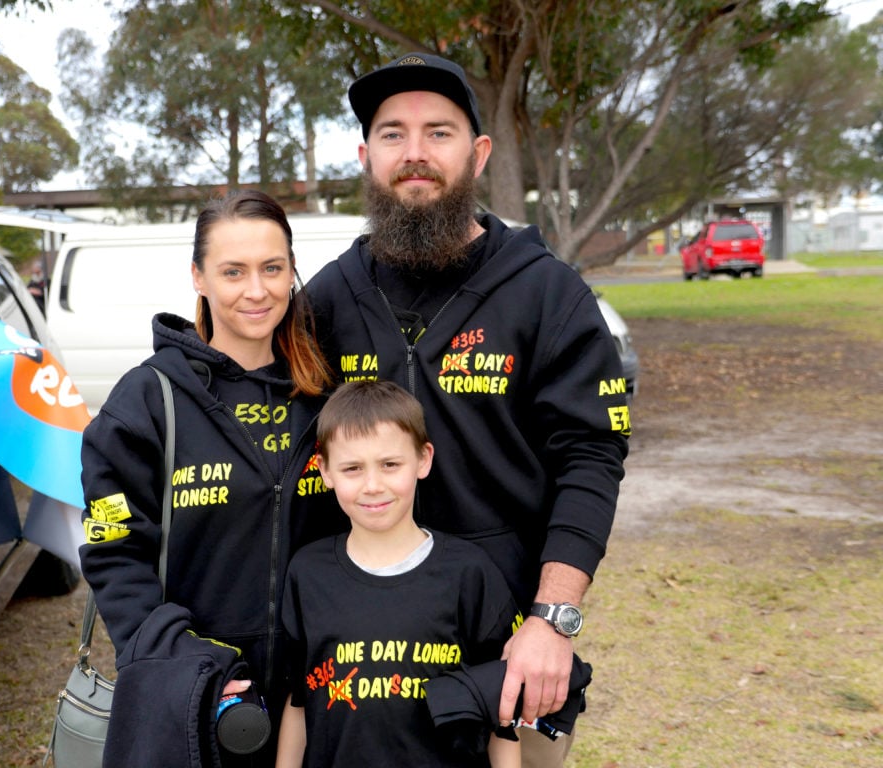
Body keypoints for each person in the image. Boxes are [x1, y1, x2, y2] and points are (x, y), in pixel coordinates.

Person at [305, 53, 631, 767]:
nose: (415, 154)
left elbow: (591, 459)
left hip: (510, 652)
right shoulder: (327, 299)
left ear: (477, 153)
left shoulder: (548, 294)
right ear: (366, 156)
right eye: (392, 134)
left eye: (439, 132)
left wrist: (552, 620)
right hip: (361, 664)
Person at [79, 190, 339, 768]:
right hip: (201, 701)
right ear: (198, 277)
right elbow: (112, 553)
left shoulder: (327, 395)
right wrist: (187, 666)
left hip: (320, 696)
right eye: (233, 271)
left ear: (293, 271)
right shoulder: (148, 400)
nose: (257, 290)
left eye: (273, 268)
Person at [276, 380, 522, 768]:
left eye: (390, 464)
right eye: (352, 468)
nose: (373, 485)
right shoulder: (307, 574)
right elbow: (298, 701)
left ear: (423, 460)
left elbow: (501, 713)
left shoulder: (468, 573)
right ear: (324, 470)